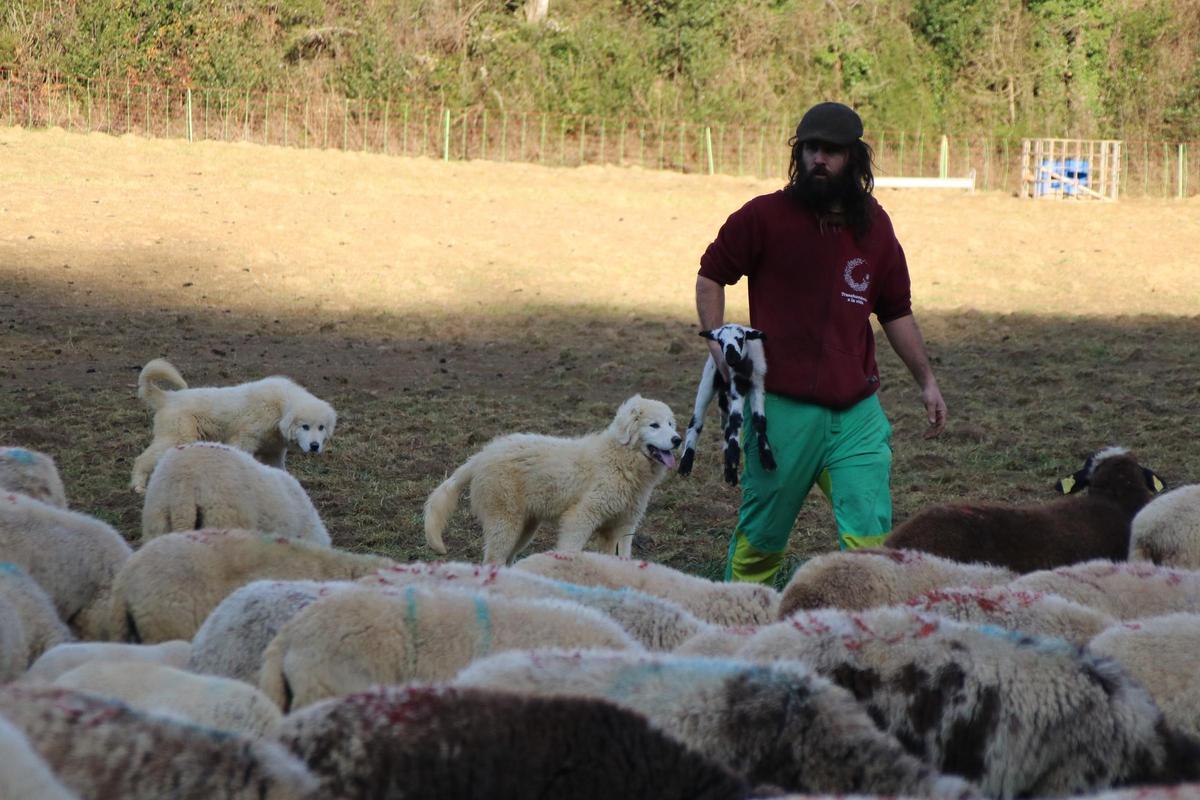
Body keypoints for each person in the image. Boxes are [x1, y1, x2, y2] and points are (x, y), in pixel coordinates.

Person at [696, 101, 947, 586]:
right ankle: (736, 632)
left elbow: (895, 311)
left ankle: (866, 638)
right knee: (761, 544)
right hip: (781, 413)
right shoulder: (764, 217)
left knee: (872, 545)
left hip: (857, 412)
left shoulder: (875, 228)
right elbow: (711, 277)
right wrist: (717, 343)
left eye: (831, 152)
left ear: (855, 159)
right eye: (811, 149)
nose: (819, 160)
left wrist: (927, 380)